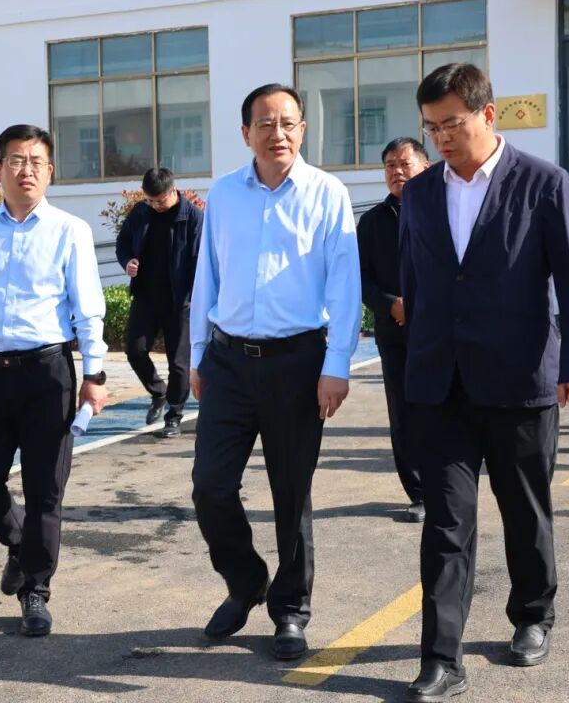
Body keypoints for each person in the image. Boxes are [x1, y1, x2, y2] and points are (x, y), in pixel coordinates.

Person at [399, 63, 569, 702]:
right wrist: (412, 366)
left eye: (451, 124)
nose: (441, 138)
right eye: (431, 128)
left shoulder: (544, 182)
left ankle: (533, 615)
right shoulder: (421, 193)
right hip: (442, 384)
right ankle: (440, 658)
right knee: (446, 523)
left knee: (524, 509)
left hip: (520, 378)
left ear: (488, 114)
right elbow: (416, 284)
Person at [189, 83, 360, 662]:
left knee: (291, 493)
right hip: (228, 363)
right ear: (246, 133)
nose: (277, 133)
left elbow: (345, 283)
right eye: (265, 123)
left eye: (288, 122)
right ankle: (245, 581)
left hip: (298, 364)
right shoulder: (223, 194)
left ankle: (290, 609)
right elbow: (207, 276)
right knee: (210, 486)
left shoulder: (327, 193)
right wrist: (197, 353)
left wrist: (336, 365)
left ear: (303, 129)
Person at [0, 124, 109, 637]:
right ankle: (18, 542)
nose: (25, 170)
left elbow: (88, 309)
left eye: (35, 162)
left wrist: (94, 374)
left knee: (45, 490)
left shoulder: (69, 230)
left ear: (49, 171)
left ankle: (35, 588)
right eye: (15, 160)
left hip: (48, 376)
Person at [357, 137, 429, 523]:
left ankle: (446, 487)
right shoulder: (371, 222)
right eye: (389, 165)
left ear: (425, 167)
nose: (396, 172)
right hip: (394, 332)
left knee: (440, 409)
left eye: (404, 164)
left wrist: (419, 304)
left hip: (437, 330)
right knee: (402, 412)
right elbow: (360, 277)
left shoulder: (442, 211)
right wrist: (390, 304)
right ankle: (418, 492)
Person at [115, 167, 203, 438]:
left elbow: (200, 261)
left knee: (178, 363)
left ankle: (174, 415)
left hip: (180, 301)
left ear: (173, 191)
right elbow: (123, 242)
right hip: (146, 296)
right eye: (150, 200)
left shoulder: (193, 218)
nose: (154, 205)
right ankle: (158, 391)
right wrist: (127, 261)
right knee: (135, 349)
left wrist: (194, 299)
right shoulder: (141, 212)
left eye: (159, 200)